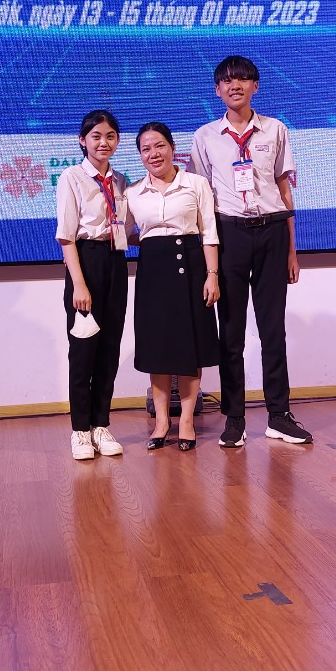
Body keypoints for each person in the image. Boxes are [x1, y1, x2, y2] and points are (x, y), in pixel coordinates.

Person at [188, 56, 313, 448]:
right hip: (229, 235)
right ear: (217, 90)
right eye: (226, 81)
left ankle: (279, 415)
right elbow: (202, 198)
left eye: (242, 79)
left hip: (273, 232)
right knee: (231, 334)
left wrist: (292, 250)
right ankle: (235, 418)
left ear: (255, 86)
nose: (235, 85)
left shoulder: (275, 129)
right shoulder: (205, 136)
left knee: (273, 330)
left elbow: (284, 189)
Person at [127, 122, 219, 451]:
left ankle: (188, 421)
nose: (154, 154)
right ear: (140, 155)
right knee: (158, 349)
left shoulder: (196, 183)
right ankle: (162, 422)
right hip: (153, 270)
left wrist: (212, 274)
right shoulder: (132, 192)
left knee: (189, 347)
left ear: (172, 147)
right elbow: (124, 232)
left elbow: (209, 232)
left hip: (191, 267)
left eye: (159, 146)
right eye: (146, 149)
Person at [55, 109, 134, 461]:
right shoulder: (71, 177)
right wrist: (79, 285)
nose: (104, 143)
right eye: (96, 136)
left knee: (110, 348)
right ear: (82, 140)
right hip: (85, 263)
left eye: (111, 136)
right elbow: (66, 237)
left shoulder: (121, 181)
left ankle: (101, 425)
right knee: (83, 350)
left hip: (116, 261)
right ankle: (80, 431)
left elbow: (126, 229)